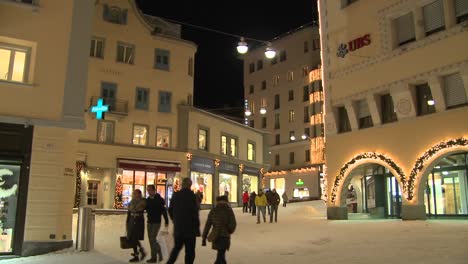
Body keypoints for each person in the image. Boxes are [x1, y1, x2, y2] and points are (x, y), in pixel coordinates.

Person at [167, 178, 200, 264]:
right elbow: (195, 213)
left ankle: (169, 262)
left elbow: (170, 210)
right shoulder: (192, 196)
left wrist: (175, 220)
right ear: (190, 185)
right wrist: (197, 227)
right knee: (190, 251)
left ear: (182, 184)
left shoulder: (176, 195)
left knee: (176, 248)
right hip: (190, 229)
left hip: (179, 228)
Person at [202, 195, 237, 264]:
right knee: (221, 254)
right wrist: (229, 230)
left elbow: (208, 224)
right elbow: (233, 223)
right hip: (225, 235)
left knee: (220, 253)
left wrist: (204, 236)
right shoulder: (229, 210)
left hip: (216, 235)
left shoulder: (214, 210)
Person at [146, 185, 169, 263]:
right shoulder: (148, 200)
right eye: (147, 190)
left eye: (149, 190)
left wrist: (166, 220)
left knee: (153, 238)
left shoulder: (159, 199)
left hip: (156, 222)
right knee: (151, 240)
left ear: (153, 190)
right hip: (149, 222)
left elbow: (163, 211)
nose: (148, 192)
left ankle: (159, 252)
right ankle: (153, 257)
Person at [126, 189, 147, 262]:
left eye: (135, 193)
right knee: (132, 237)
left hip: (138, 221)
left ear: (139, 194)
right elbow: (129, 211)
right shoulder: (132, 201)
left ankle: (140, 252)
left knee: (135, 237)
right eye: (133, 193)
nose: (134, 194)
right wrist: (127, 222)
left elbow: (139, 209)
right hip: (132, 220)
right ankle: (137, 253)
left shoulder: (143, 201)